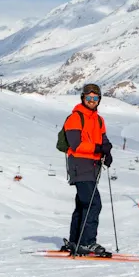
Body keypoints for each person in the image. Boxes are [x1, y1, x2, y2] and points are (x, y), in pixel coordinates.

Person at [61, 83, 113, 256]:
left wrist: (107, 150)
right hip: (79, 164)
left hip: (93, 167)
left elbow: (103, 139)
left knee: (84, 205)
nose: (92, 101)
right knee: (93, 203)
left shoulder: (99, 119)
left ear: (99, 100)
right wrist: (98, 148)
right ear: (83, 98)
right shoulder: (75, 118)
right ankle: (87, 242)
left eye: (95, 98)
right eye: (89, 98)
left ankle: (75, 241)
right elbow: (76, 144)